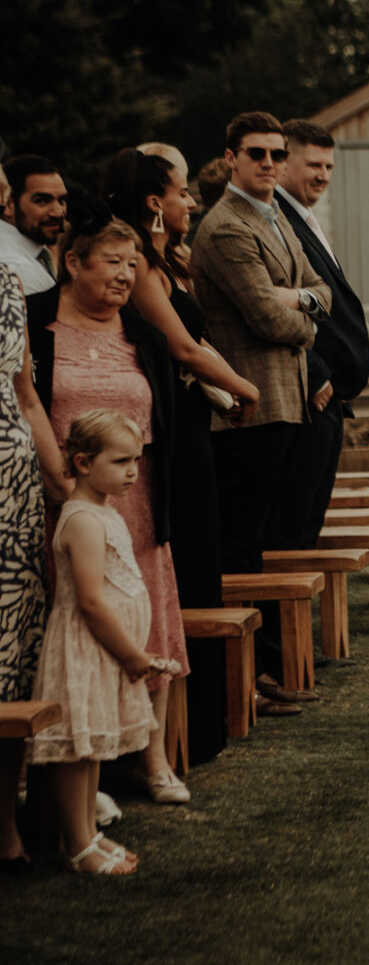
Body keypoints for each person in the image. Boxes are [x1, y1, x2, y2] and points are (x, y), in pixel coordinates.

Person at [26, 204, 189, 799]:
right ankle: (75, 762)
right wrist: (61, 483)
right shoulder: (33, 321)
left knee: (148, 618)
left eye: (134, 264)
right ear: (73, 262)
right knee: (73, 623)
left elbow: (166, 419)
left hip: (139, 501)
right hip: (58, 496)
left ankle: (154, 761)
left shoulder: (141, 333)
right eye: (113, 262)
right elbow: (26, 403)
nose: (126, 275)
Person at [108, 145, 260, 764]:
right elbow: (183, 347)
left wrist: (219, 395)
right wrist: (245, 386)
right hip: (165, 436)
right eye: (182, 192)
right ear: (154, 201)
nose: (192, 201)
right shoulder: (139, 266)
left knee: (199, 566)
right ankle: (178, 737)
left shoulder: (169, 260)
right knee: (182, 566)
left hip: (193, 422)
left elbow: (193, 350)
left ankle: (202, 726)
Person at [190, 112, 331, 713]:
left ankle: (264, 666)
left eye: (277, 153)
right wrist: (303, 319)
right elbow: (266, 319)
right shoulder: (225, 227)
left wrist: (297, 299)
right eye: (257, 154)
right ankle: (242, 679)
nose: (270, 163)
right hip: (250, 409)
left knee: (266, 543)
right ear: (231, 159)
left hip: (285, 401)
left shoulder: (271, 217)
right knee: (242, 547)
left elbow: (319, 289)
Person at [26, 410, 167, 875]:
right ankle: (78, 845)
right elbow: (89, 599)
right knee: (77, 749)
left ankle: (89, 832)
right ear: (83, 462)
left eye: (137, 460)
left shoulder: (104, 511)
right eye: (121, 460)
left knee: (91, 750)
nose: (132, 471)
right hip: (85, 650)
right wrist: (132, 655)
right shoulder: (83, 519)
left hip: (103, 652)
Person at [0, 177, 69, 870]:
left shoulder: (7, 283)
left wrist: (60, 482)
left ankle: (6, 828)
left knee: (14, 662)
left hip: (14, 495)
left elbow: (24, 390)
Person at [273, 120, 369, 551]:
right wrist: (317, 374)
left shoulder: (303, 216)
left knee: (309, 520)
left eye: (329, 166)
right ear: (283, 162)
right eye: (313, 164)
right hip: (307, 395)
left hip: (327, 397)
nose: (323, 175)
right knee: (293, 524)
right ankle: (284, 619)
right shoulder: (277, 219)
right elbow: (266, 307)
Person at [0, 155, 68, 295]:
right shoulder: (19, 270)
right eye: (42, 201)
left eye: (61, 200)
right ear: (7, 204)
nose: (58, 212)